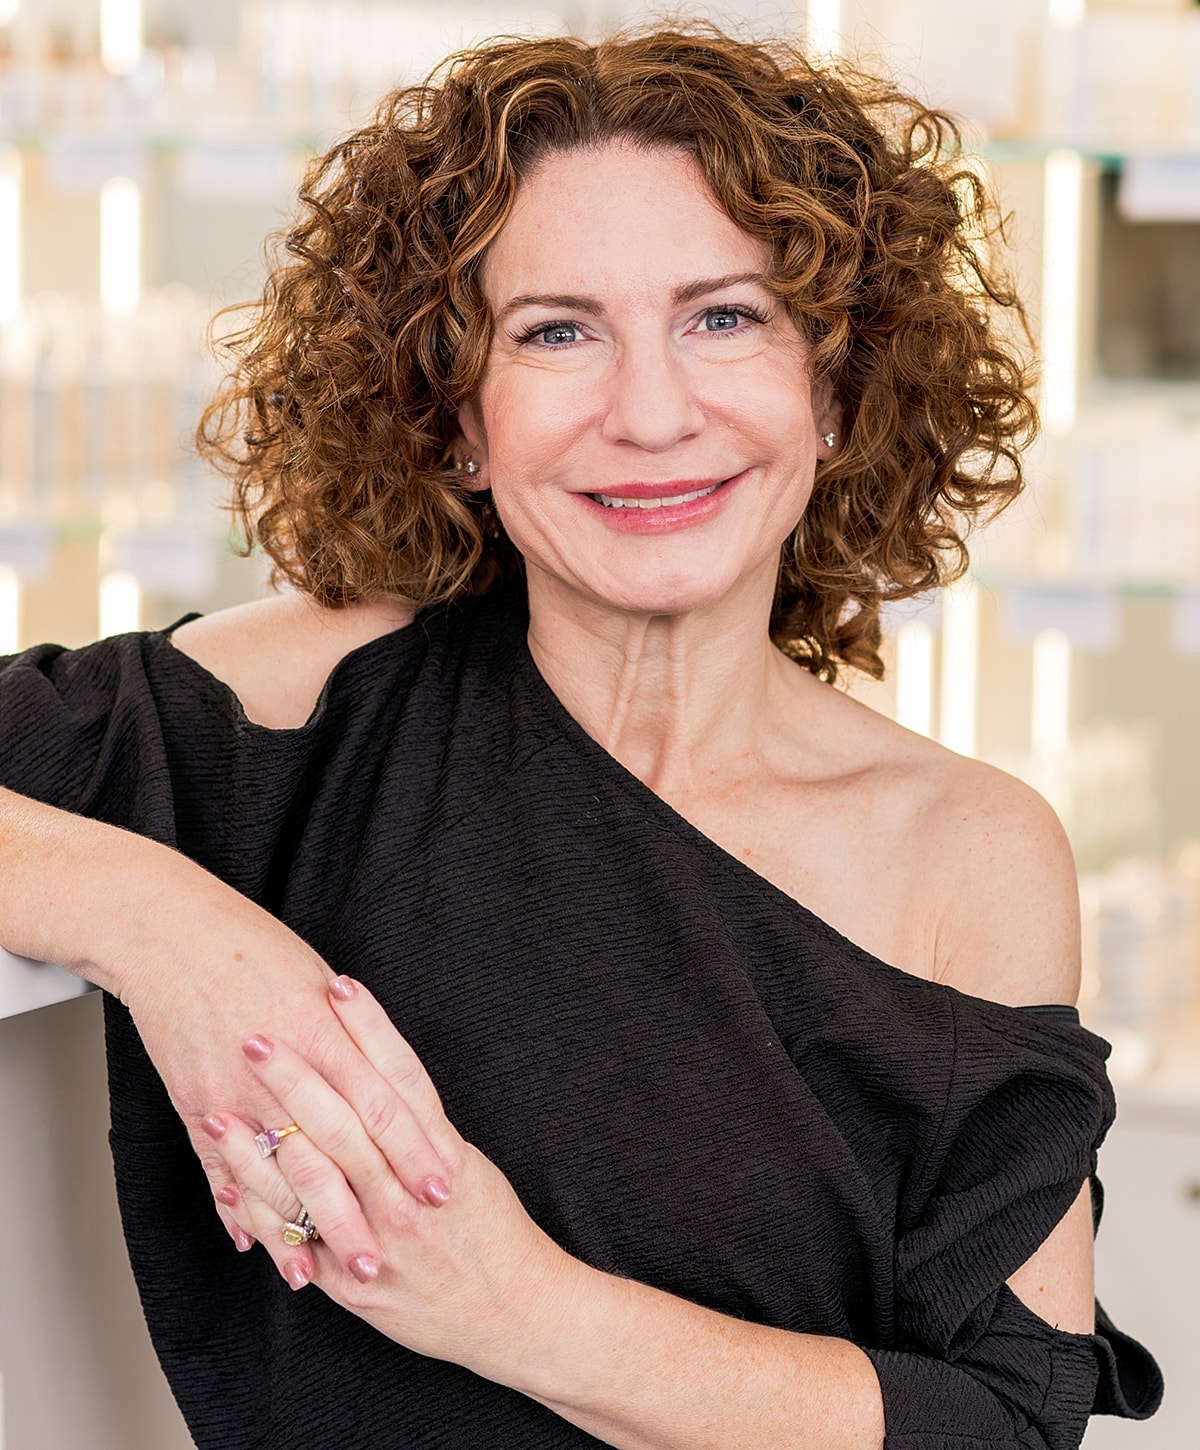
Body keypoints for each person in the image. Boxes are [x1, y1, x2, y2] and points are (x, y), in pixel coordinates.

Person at [0, 25, 1162, 1450]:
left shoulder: (970, 853)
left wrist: (513, 1307)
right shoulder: (308, 711)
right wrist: (165, 926)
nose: (652, 413)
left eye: (724, 318)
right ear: (457, 415)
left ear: (835, 389)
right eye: (558, 332)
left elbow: (1006, 1418)